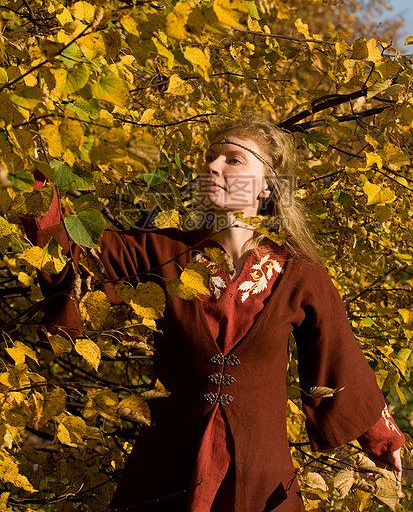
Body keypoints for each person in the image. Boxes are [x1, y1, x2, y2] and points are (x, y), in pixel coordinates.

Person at [24, 114, 404, 511]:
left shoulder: (301, 274)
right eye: (209, 157)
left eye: (232, 159)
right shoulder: (161, 252)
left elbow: (339, 358)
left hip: (261, 478)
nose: (212, 166)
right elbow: (68, 253)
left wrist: (382, 440)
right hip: (164, 469)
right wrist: (32, 155)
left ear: (268, 186)